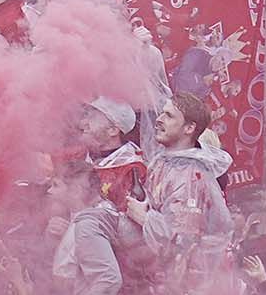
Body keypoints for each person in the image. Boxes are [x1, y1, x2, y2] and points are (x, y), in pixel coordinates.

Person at [128, 93, 233, 288]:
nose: (159, 119)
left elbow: (182, 241)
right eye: (161, 113)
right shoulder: (164, 163)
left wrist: (143, 218)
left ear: (189, 128)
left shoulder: (190, 175)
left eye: (169, 115)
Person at [52, 98, 150, 295]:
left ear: (113, 129)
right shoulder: (80, 161)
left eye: (92, 117)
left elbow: (130, 237)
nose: (83, 124)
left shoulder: (132, 170)